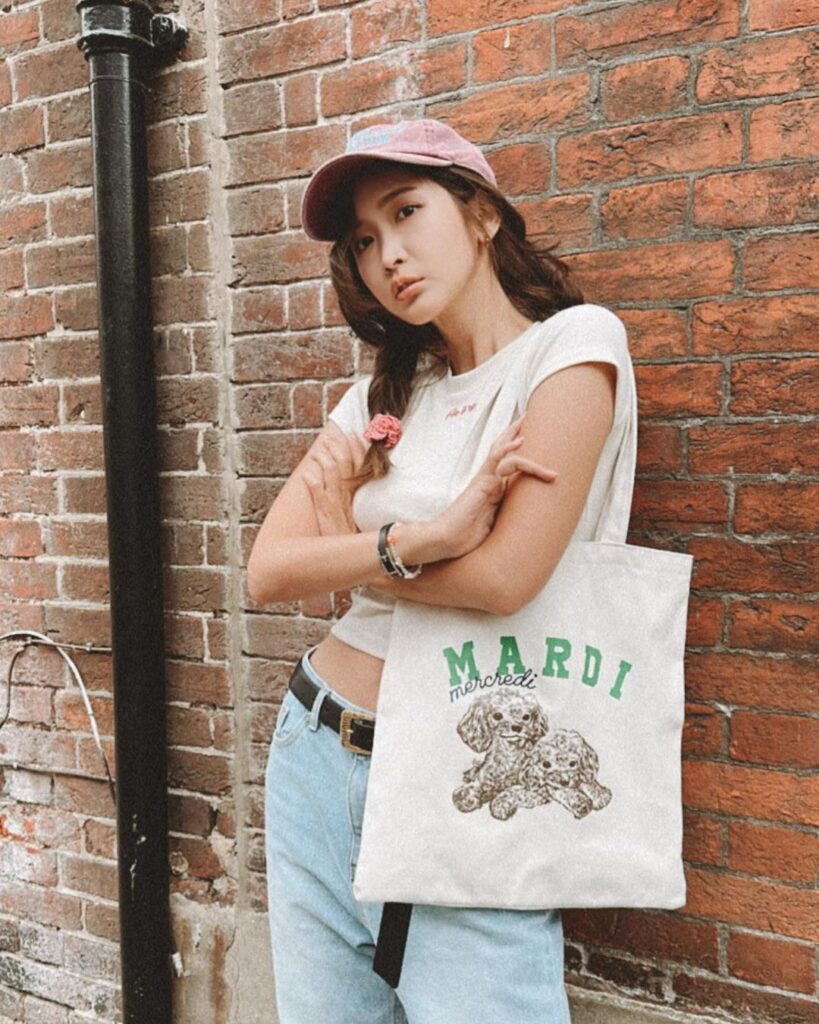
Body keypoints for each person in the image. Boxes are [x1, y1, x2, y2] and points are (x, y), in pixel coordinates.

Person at [248, 118, 633, 1024]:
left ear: (481, 215)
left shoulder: (571, 347)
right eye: (364, 240)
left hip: (470, 772)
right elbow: (269, 572)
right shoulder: (383, 393)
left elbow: (505, 579)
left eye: (407, 211)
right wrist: (420, 541)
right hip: (312, 755)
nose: (388, 254)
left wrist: (346, 543)